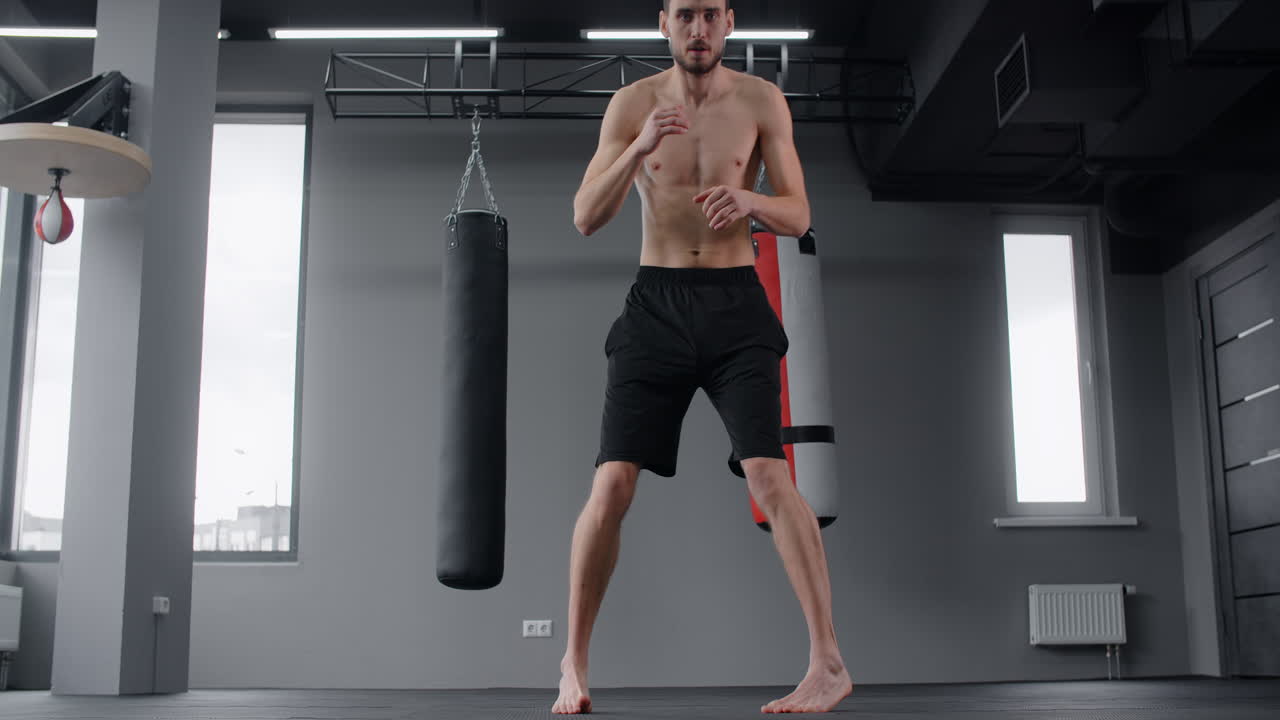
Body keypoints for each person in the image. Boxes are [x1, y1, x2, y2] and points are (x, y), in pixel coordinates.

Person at [553, 0, 852, 714]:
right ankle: (573, 664)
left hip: (734, 304)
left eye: (712, 15)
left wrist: (749, 198)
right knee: (612, 484)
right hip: (655, 306)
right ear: (664, 22)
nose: (699, 29)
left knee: (771, 475)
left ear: (729, 22)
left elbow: (800, 213)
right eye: (686, 14)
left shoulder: (759, 101)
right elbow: (586, 217)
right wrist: (637, 147)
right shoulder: (632, 103)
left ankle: (828, 664)